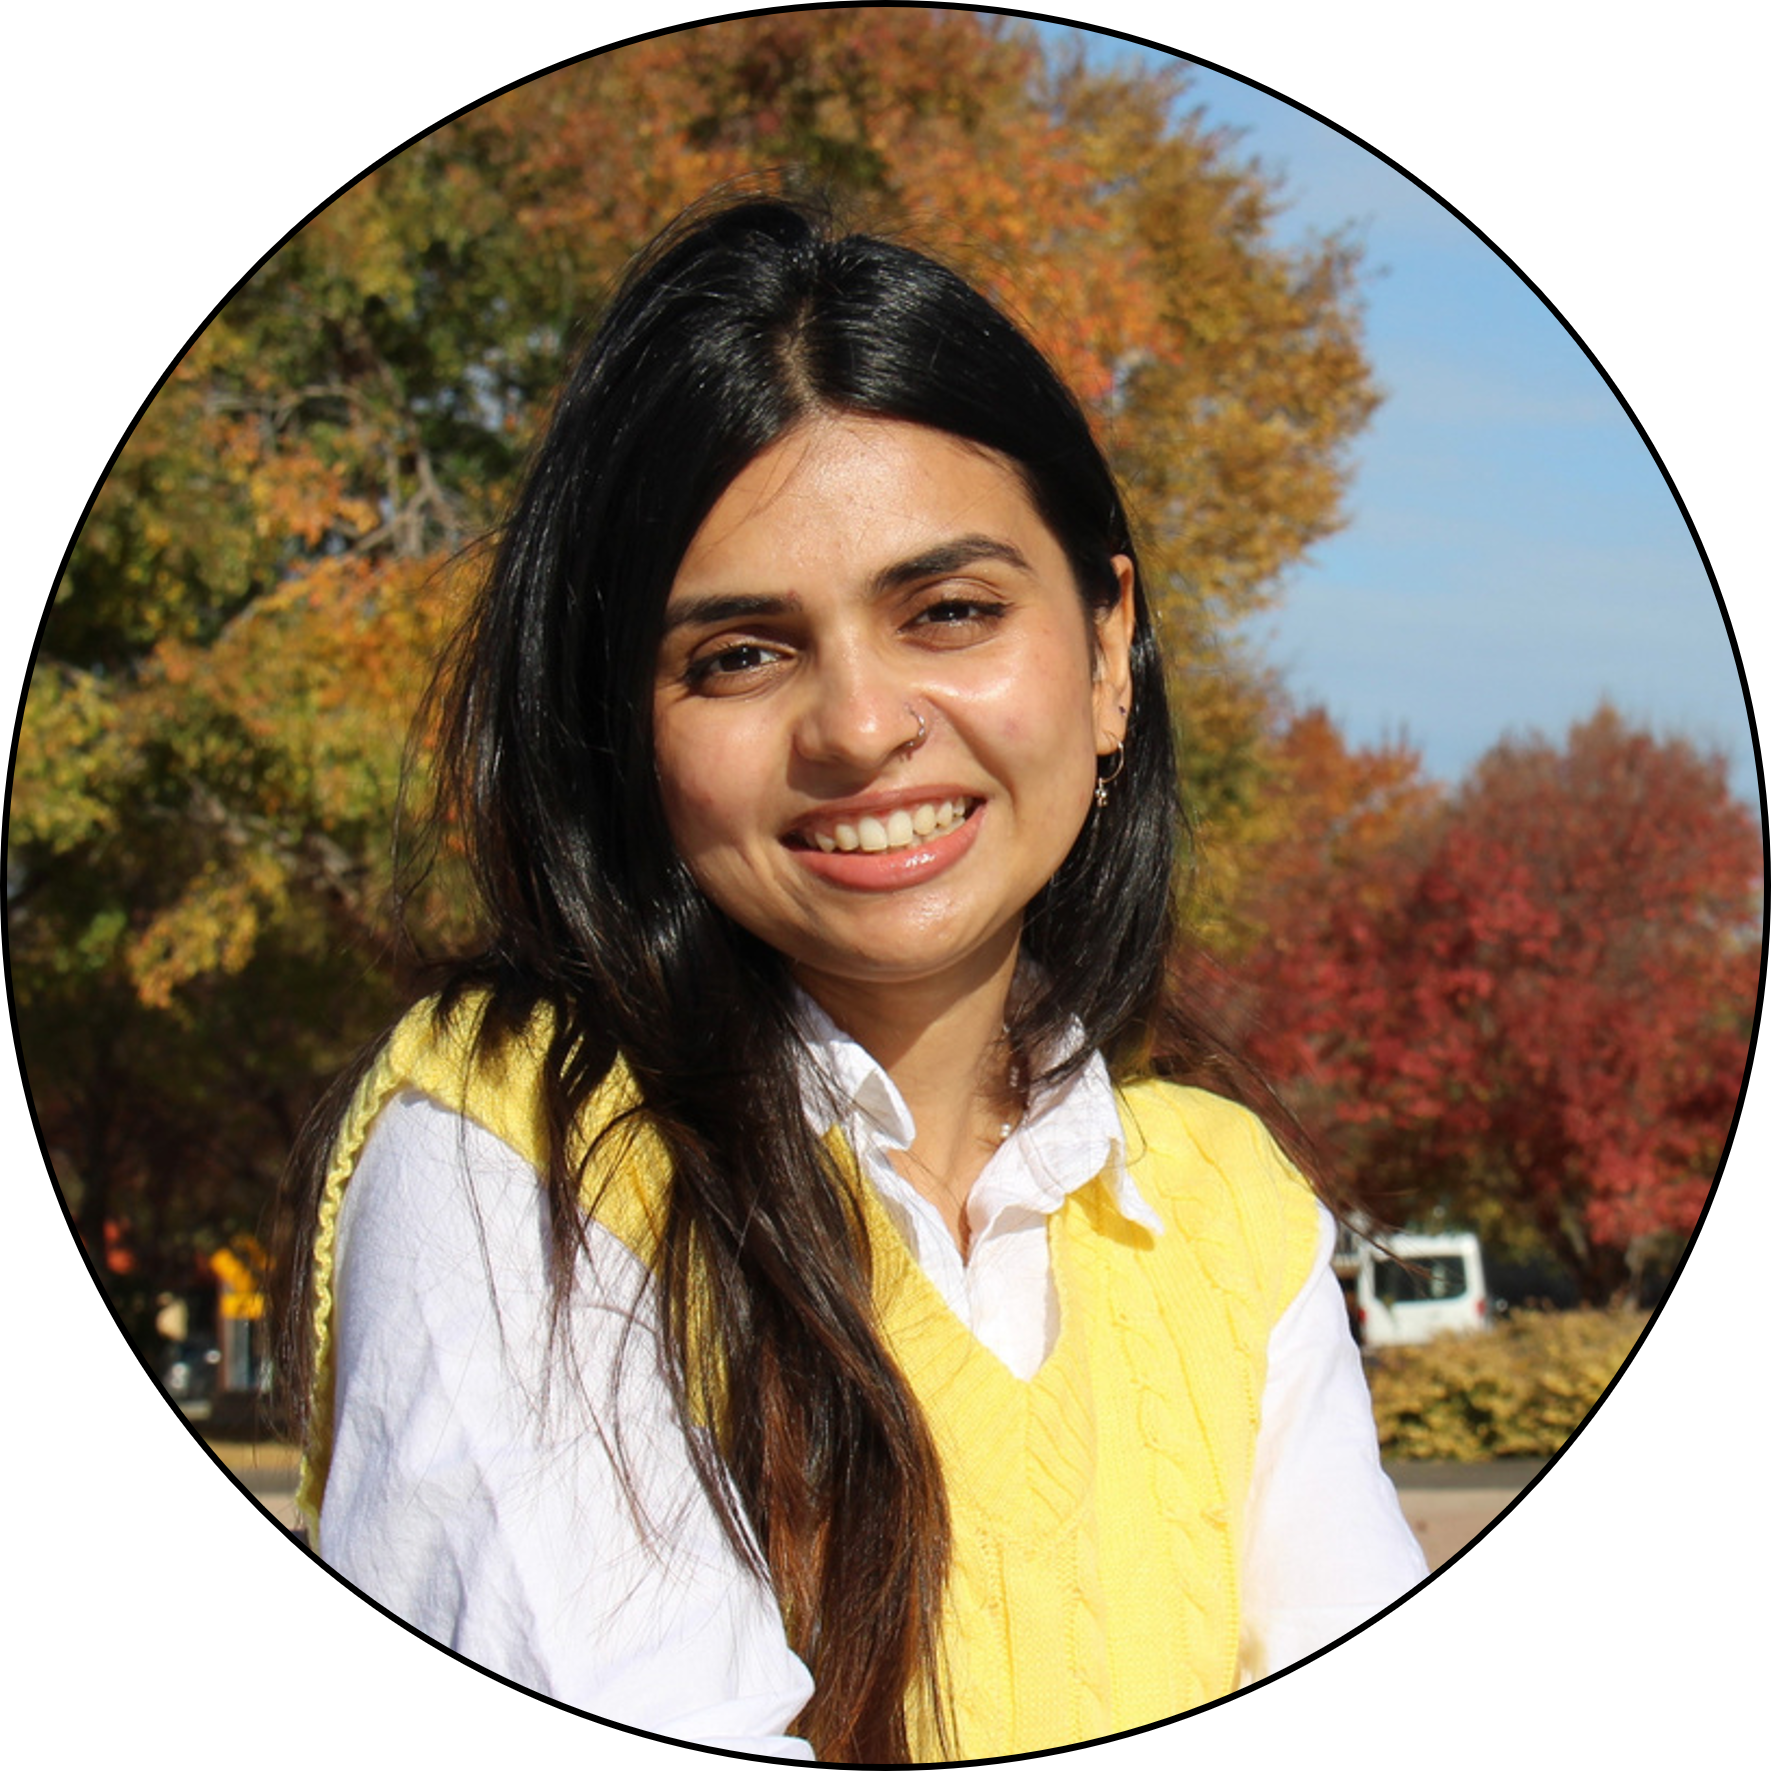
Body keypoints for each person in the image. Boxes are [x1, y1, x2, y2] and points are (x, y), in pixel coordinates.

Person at [277, 189, 1427, 1761]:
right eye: (740, 654)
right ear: (627, 731)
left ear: (1106, 653)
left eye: (948, 611)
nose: (860, 725)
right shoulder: (518, 1146)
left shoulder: (1224, 1210)